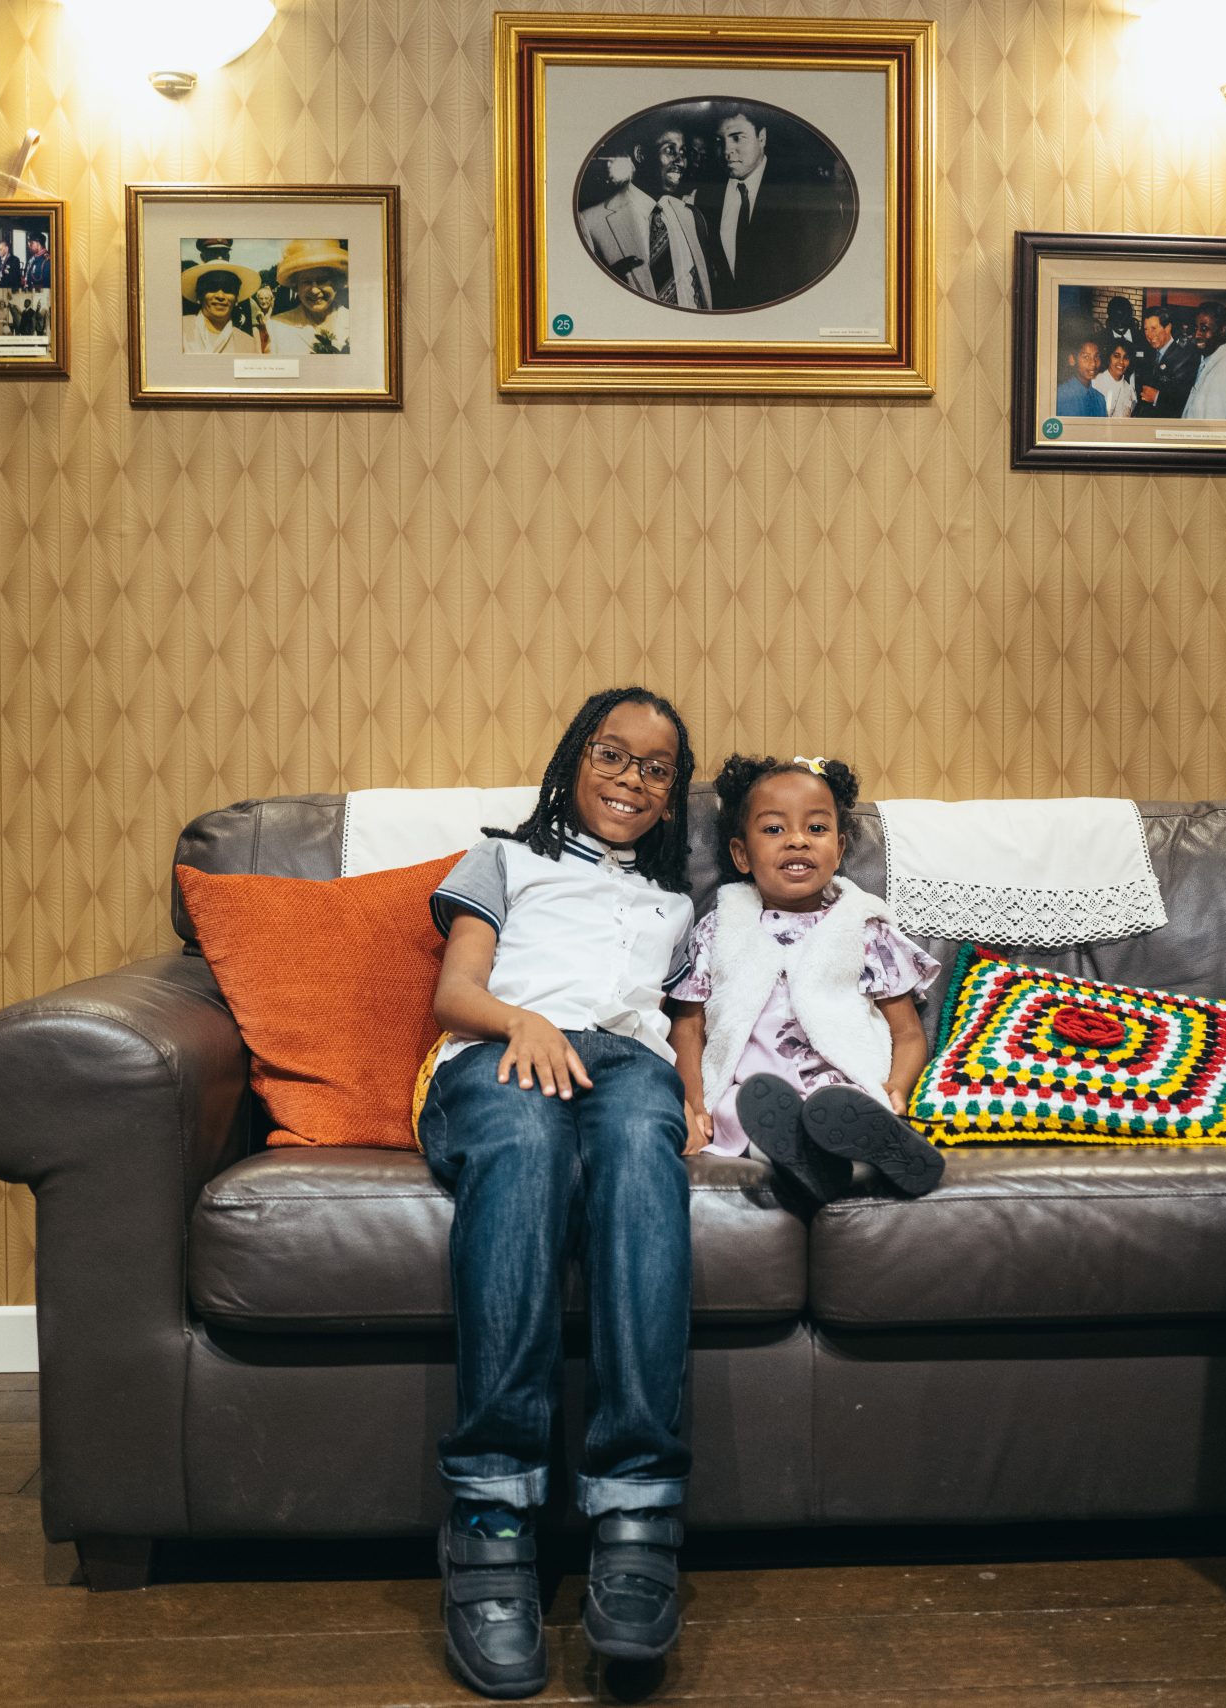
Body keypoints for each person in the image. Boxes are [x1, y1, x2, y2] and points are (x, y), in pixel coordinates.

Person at [421, 686, 703, 1698]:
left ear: (674, 796)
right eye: (609, 753)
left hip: (625, 1066)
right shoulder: (503, 856)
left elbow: (680, 1027)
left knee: (640, 1148)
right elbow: (454, 991)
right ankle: (490, 1512)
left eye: (654, 766)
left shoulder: (678, 905)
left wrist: (697, 1097)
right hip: (496, 1053)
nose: (629, 776)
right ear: (571, 760)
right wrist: (519, 1024)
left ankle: (638, 1508)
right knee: (528, 1146)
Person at [667, 755, 944, 1208]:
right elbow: (688, 1027)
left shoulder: (863, 928)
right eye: (774, 829)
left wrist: (898, 1088)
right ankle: (817, 1163)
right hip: (757, 1091)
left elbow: (907, 1032)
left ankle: (864, 1151)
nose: (797, 840)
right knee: (741, 1109)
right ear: (741, 854)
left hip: (839, 1089)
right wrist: (695, 1105)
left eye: (815, 829)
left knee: (849, 1106)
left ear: (838, 849)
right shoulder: (719, 930)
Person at [701, 105, 846, 309]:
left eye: (737, 137)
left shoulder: (802, 193)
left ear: (762, 138)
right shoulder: (706, 194)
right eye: (719, 141)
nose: (726, 151)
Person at [579, 127, 715, 310]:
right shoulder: (591, 223)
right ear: (640, 154)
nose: (681, 161)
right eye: (670, 150)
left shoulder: (692, 216)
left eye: (682, 152)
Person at [263, 237, 352, 354]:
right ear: (296, 287)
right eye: (306, 282)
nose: (314, 290)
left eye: (322, 280)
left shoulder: (355, 322)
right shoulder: (276, 328)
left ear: (336, 282)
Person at [1180, 306, 1226, 421]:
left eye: (1204, 328)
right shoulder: (1210, 360)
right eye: (1196, 328)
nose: (1197, 335)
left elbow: (1217, 434)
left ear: (1222, 330)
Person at [180, 261, 261, 355]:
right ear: (199, 296)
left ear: (236, 299)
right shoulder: (180, 329)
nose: (220, 296)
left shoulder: (248, 343)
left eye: (228, 289)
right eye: (212, 288)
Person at [1134, 305, 1198, 417]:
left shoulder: (1184, 357)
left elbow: (1184, 400)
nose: (1149, 335)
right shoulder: (1149, 352)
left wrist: (1156, 397)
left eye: (1153, 328)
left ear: (1167, 328)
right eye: (1146, 329)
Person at [1054, 336, 1110, 419]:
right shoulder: (1060, 396)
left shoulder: (1100, 399)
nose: (1093, 364)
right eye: (1086, 357)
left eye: (1096, 357)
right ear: (1072, 360)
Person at [1094, 339, 1139, 418]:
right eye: (1116, 356)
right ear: (1109, 357)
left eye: (1126, 357)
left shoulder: (1130, 390)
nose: (1121, 362)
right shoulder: (1095, 383)